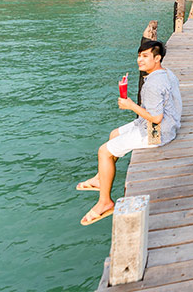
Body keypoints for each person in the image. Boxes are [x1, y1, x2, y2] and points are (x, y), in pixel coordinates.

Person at [76, 39, 182, 225]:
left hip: (156, 133)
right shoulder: (167, 74)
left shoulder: (151, 85)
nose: (140, 60)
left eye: (146, 56)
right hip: (169, 125)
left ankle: (105, 202)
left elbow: (156, 119)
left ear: (157, 58)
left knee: (104, 151)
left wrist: (131, 105)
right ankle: (101, 178)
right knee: (114, 134)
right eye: (139, 55)